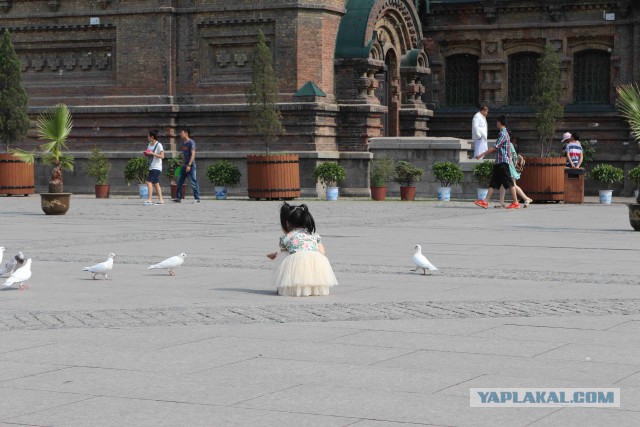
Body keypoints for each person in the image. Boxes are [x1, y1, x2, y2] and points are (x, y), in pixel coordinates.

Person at [272, 204, 338, 296]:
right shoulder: (314, 235)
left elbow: (283, 253)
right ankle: (314, 288)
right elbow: (322, 252)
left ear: (287, 223)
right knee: (315, 259)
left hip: (296, 262)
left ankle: (293, 286)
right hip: (316, 260)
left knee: (286, 257)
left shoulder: (286, 237)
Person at [474, 115, 520, 210]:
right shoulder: (502, 133)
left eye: (497, 122)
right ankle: (485, 202)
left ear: (499, 122)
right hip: (499, 162)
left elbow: (495, 147)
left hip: (503, 162)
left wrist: (482, 155)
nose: (496, 124)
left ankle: (515, 202)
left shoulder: (503, 134)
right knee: (493, 182)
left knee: (509, 182)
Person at [497, 136, 533, 208]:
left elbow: (513, 156)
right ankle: (502, 202)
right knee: (503, 184)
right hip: (507, 166)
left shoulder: (509, 144)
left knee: (513, 185)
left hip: (509, 167)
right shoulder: (507, 144)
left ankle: (526, 199)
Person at [173, 128, 201, 203]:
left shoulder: (191, 142)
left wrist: (189, 165)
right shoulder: (183, 143)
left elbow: (193, 155)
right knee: (179, 181)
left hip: (191, 166)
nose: (180, 134)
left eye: (181, 133)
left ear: (186, 133)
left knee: (193, 182)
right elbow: (184, 155)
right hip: (184, 166)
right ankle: (178, 198)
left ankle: (197, 198)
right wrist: (182, 164)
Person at [144, 129, 164, 206]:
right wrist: (147, 153)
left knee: (148, 182)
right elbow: (149, 153)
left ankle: (149, 199)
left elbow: (162, 156)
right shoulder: (149, 144)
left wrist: (153, 153)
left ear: (152, 137)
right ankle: (161, 200)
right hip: (151, 166)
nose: (147, 137)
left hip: (157, 167)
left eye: (148, 136)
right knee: (156, 184)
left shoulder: (159, 145)